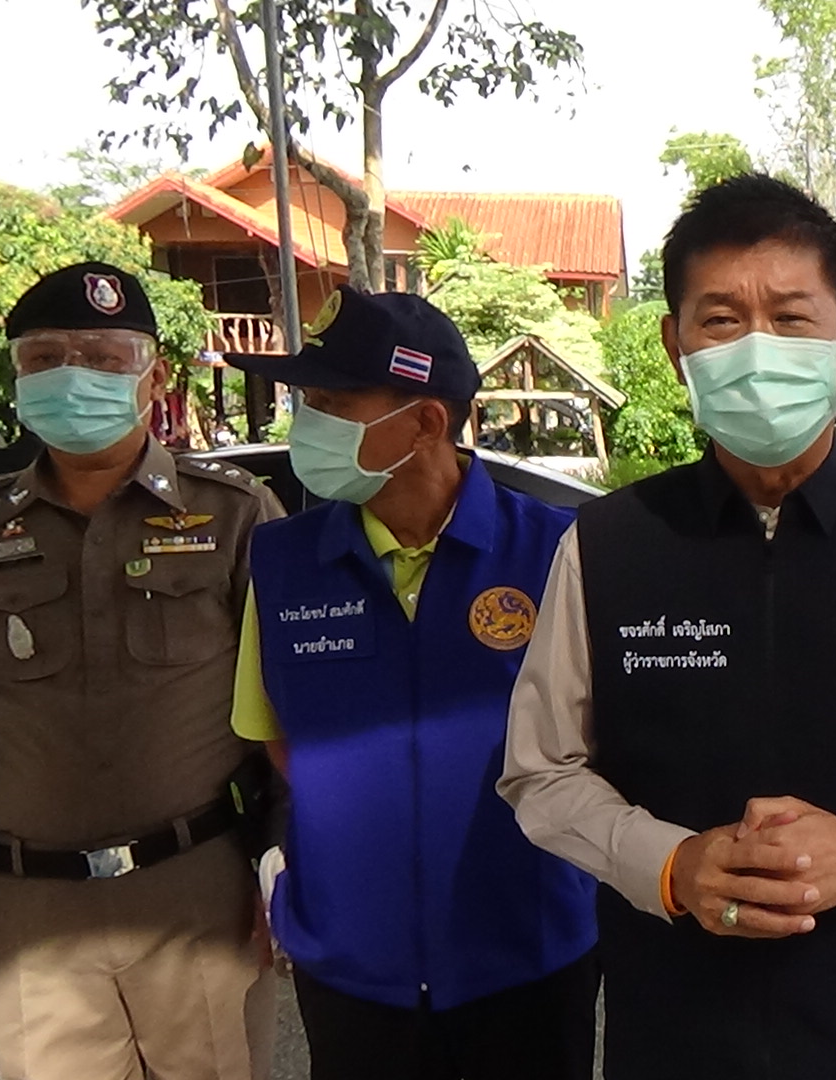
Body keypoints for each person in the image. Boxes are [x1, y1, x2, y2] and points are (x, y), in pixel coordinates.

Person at [499, 173, 836, 1080]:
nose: (758, 348)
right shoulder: (608, 545)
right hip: (674, 1036)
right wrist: (670, 864)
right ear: (675, 346)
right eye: (721, 320)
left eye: (792, 318)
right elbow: (541, 770)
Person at [224, 288, 599, 1080]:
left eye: (333, 405)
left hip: (525, 955)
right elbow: (279, 739)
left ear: (426, 422)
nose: (307, 425)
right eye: (307, 402)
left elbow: (605, 746)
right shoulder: (283, 562)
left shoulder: (558, 552)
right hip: (352, 966)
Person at [0, 261, 282, 1079]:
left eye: (102, 358)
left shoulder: (235, 513)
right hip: (27, 909)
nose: (73, 376)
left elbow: (293, 713)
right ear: (17, 378)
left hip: (200, 893)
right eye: (45, 358)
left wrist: (286, 865)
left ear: (154, 377)